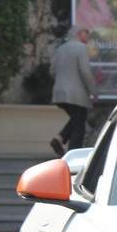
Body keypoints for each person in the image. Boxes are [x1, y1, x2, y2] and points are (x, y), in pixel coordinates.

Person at [49, 25, 97, 155]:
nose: (88, 35)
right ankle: (73, 154)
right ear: (78, 33)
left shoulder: (60, 49)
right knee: (79, 127)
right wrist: (93, 91)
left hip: (60, 93)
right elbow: (85, 71)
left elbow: (52, 71)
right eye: (86, 32)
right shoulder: (81, 48)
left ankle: (60, 138)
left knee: (77, 119)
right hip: (76, 94)